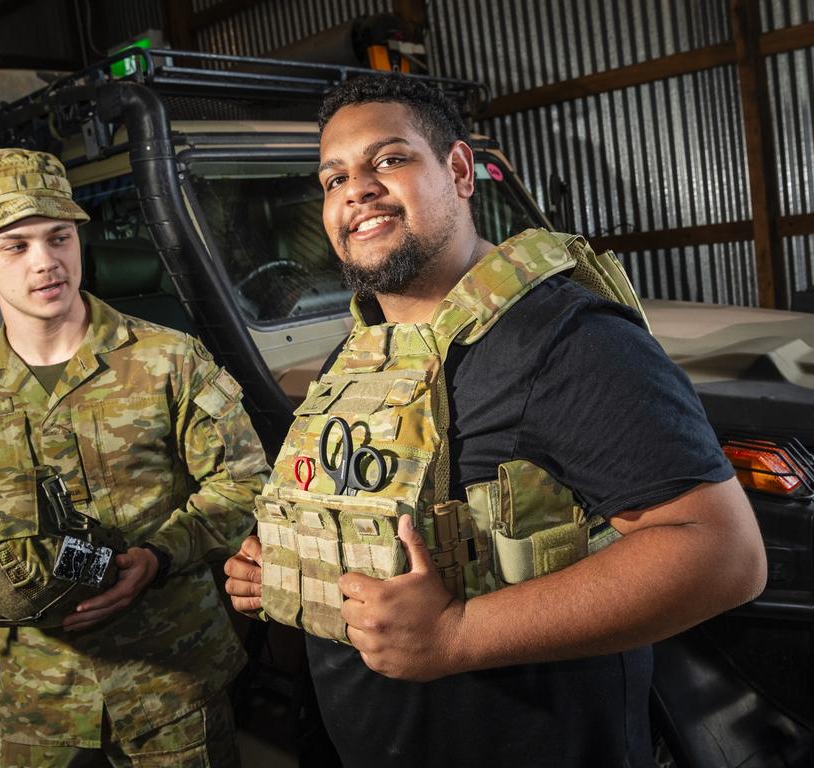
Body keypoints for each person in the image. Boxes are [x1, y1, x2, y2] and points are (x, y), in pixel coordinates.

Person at [224, 75, 767, 767]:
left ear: (457, 170)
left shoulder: (565, 339)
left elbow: (723, 555)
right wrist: (283, 568)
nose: (355, 188)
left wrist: (456, 636)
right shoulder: (359, 352)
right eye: (334, 177)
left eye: (389, 159)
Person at [0, 147, 267, 767]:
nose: (46, 262)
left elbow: (244, 485)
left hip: (169, 676)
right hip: (40, 688)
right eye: (16, 246)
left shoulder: (167, 358)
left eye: (59, 237)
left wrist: (159, 557)